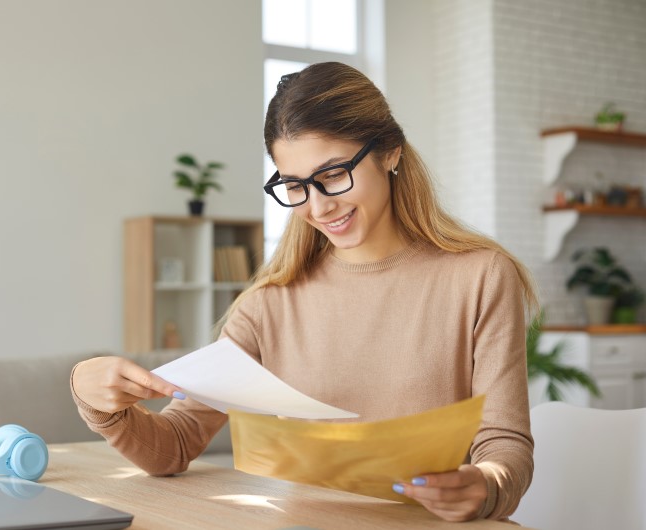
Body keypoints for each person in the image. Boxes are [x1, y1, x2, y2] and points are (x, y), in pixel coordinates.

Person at [71, 62, 537, 522]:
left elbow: (504, 444)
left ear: (390, 151)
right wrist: (98, 403)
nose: (317, 206)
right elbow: (173, 446)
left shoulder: (479, 277)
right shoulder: (269, 306)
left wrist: (486, 486)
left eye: (333, 175)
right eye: (295, 186)